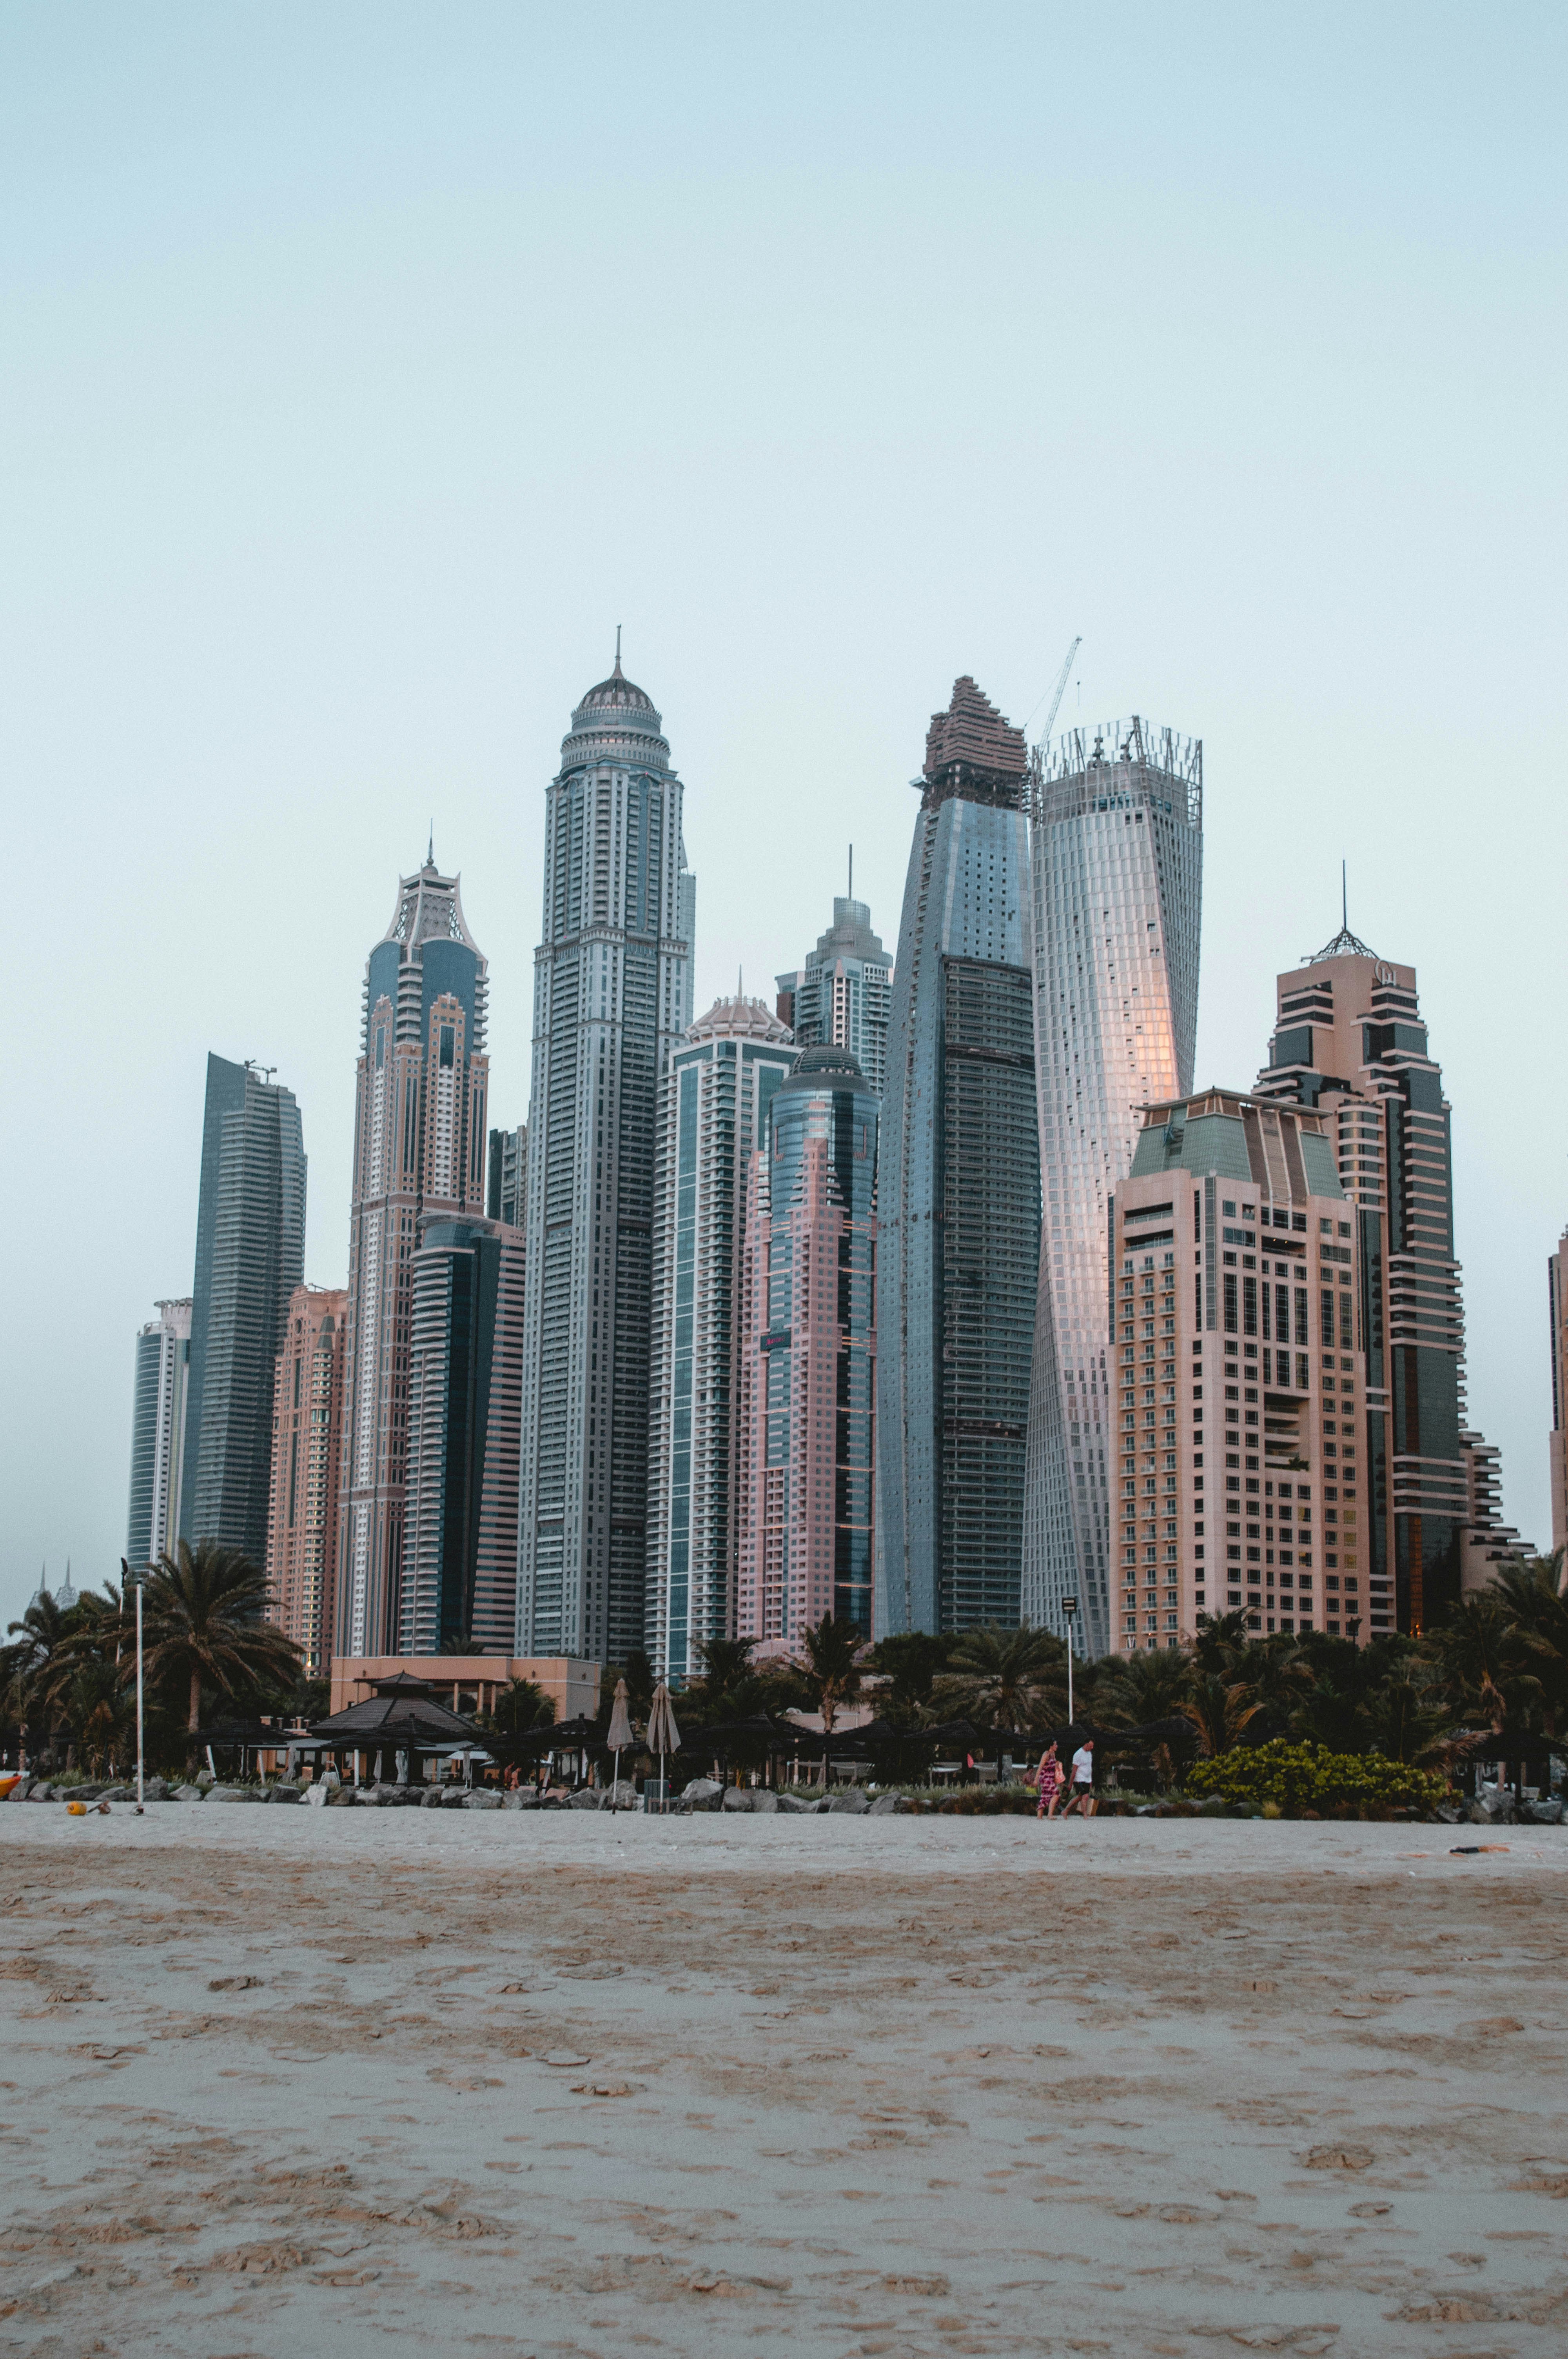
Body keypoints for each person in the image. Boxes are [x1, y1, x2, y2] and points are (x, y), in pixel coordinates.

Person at [1062, 1737, 1096, 1817]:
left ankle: (1065, 1811)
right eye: (1091, 1746)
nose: (1092, 1748)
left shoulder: (1089, 1754)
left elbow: (1089, 1767)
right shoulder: (1078, 1754)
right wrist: (1070, 1784)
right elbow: (1074, 1770)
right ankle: (1085, 1816)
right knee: (1085, 1796)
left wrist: (1090, 1781)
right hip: (1079, 1779)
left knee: (1080, 1797)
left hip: (1087, 1779)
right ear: (1086, 1744)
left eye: (1093, 1746)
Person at [1035, 1742, 1064, 1820]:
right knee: (1056, 1793)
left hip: (1051, 1778)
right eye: (1055, 1745)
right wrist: (1036, 1780)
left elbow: (1054, 1768)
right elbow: (1040, 1768)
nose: (1057, 1746)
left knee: (1045, 1796)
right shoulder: (1046, 1755)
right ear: (1051, 1746)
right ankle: (1050, 1815)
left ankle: (1039, 1816)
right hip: (1045, 1778)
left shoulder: (1053, 1754)